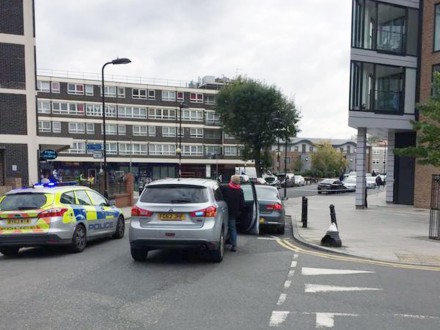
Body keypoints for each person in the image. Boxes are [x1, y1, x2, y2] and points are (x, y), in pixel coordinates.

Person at [222, 175, 245, 252]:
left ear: (231, 180)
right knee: (232, 227)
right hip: (233, 212)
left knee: (223, 226)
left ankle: (224, 241)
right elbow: (242, 204)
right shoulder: (240, 191)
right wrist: (241, 211)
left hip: (223, 210)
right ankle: (233, 244)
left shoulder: (225, 188)